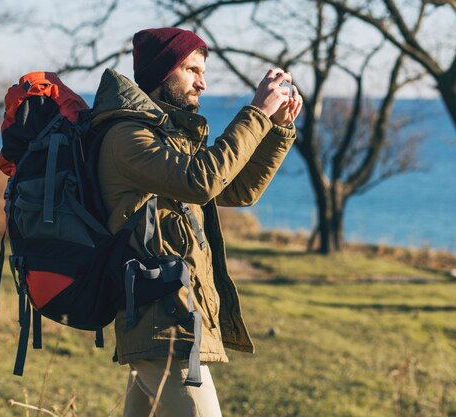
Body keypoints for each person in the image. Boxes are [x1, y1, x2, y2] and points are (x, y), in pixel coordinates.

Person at [90, 27, 302, 417]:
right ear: (162, 73)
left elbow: (235, 191)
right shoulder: (127, 136)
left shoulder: (165, 137)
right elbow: (201, 180)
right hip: (162, 321)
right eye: (191, 70)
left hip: (172, 317)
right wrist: (256, 113)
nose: (202, 83)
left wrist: (278, 129)